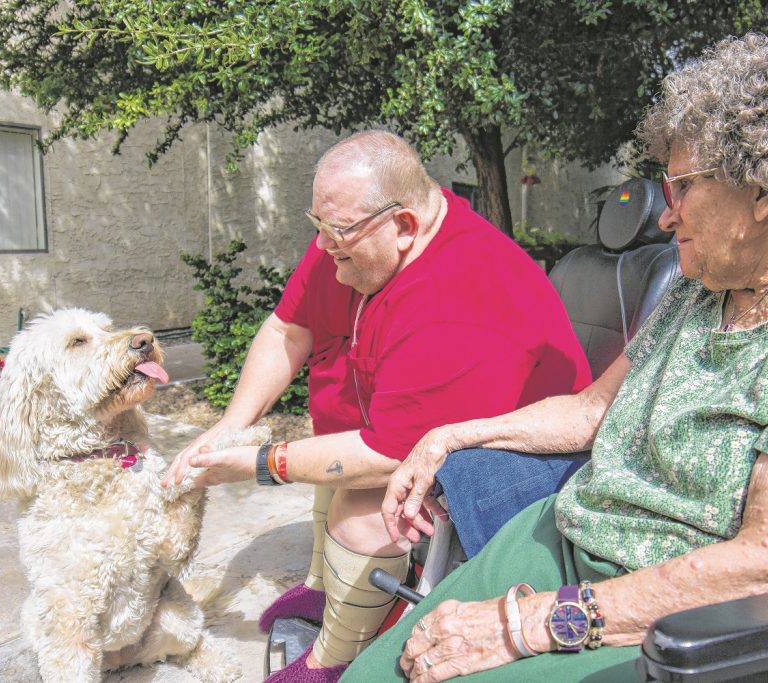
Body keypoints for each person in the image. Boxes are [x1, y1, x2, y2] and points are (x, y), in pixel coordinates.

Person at [346, 34, 768, 682]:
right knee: (375, 673)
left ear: (764, 191)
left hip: (691, 624)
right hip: (572, 540)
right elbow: (592, 409)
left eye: (682, 186)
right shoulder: (700, 289)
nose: (667, 214)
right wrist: (448, 436)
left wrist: (531, 623)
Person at [162, 130, 592, 682]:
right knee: (328, 453)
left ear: (405, 227)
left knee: (361, 512)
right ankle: (331, 594)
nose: (321, 247)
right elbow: (286, 328)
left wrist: (258, 464)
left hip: (524, 466)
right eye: (317, 225)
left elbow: (390, 454)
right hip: (420, 431)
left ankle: (334, 659)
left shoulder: (460, 292)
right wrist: (229, 424)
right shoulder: (355, 235)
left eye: (336, 232)